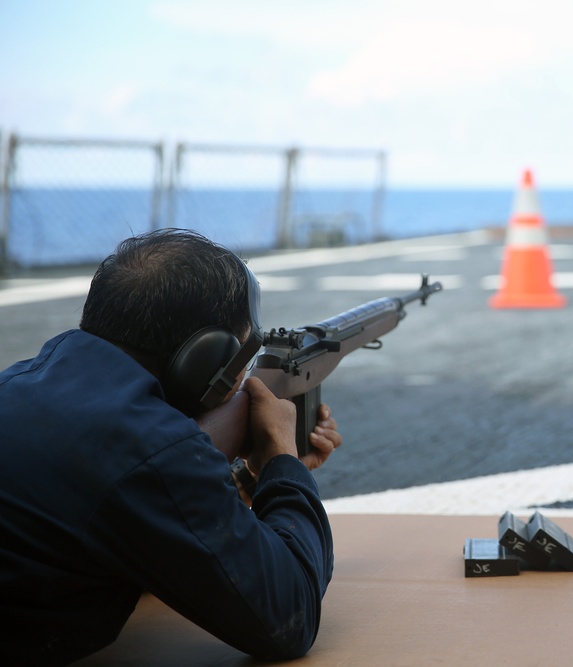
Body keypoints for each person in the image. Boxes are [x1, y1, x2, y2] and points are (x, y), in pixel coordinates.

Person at [0, 229, 342, 665]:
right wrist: (282, 457)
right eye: (240, 355)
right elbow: (289, 614)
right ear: (207, 357)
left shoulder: (19, 382)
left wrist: (245, 479)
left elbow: (142, 527)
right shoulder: (151, 450)